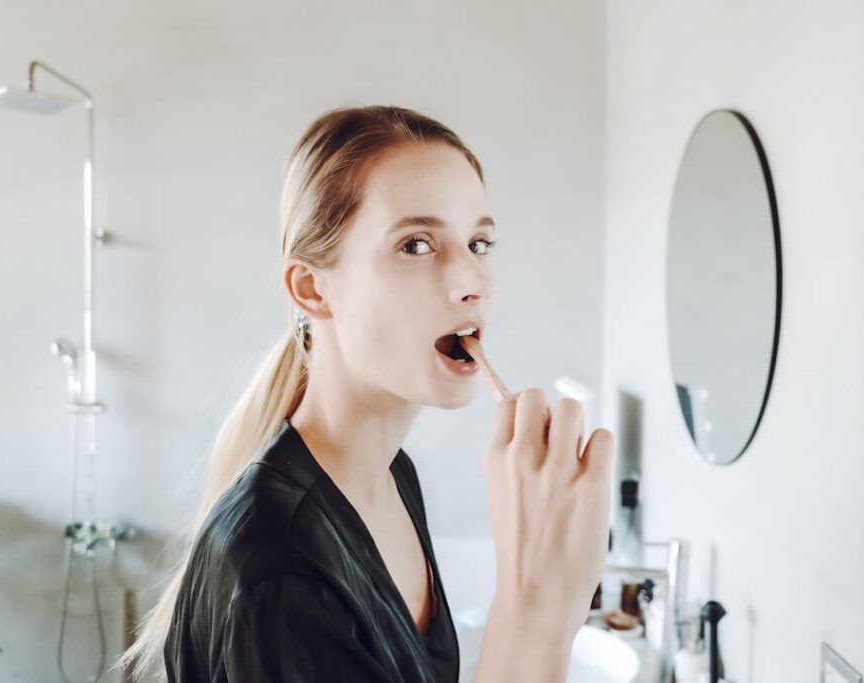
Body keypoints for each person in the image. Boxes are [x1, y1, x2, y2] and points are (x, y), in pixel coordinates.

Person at [117, 105, 615, 682]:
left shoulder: (392, 478)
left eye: (479, 244)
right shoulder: (280, 573)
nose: (474, 283)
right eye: (416, 245)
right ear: (313, 289)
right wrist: (538, 606)